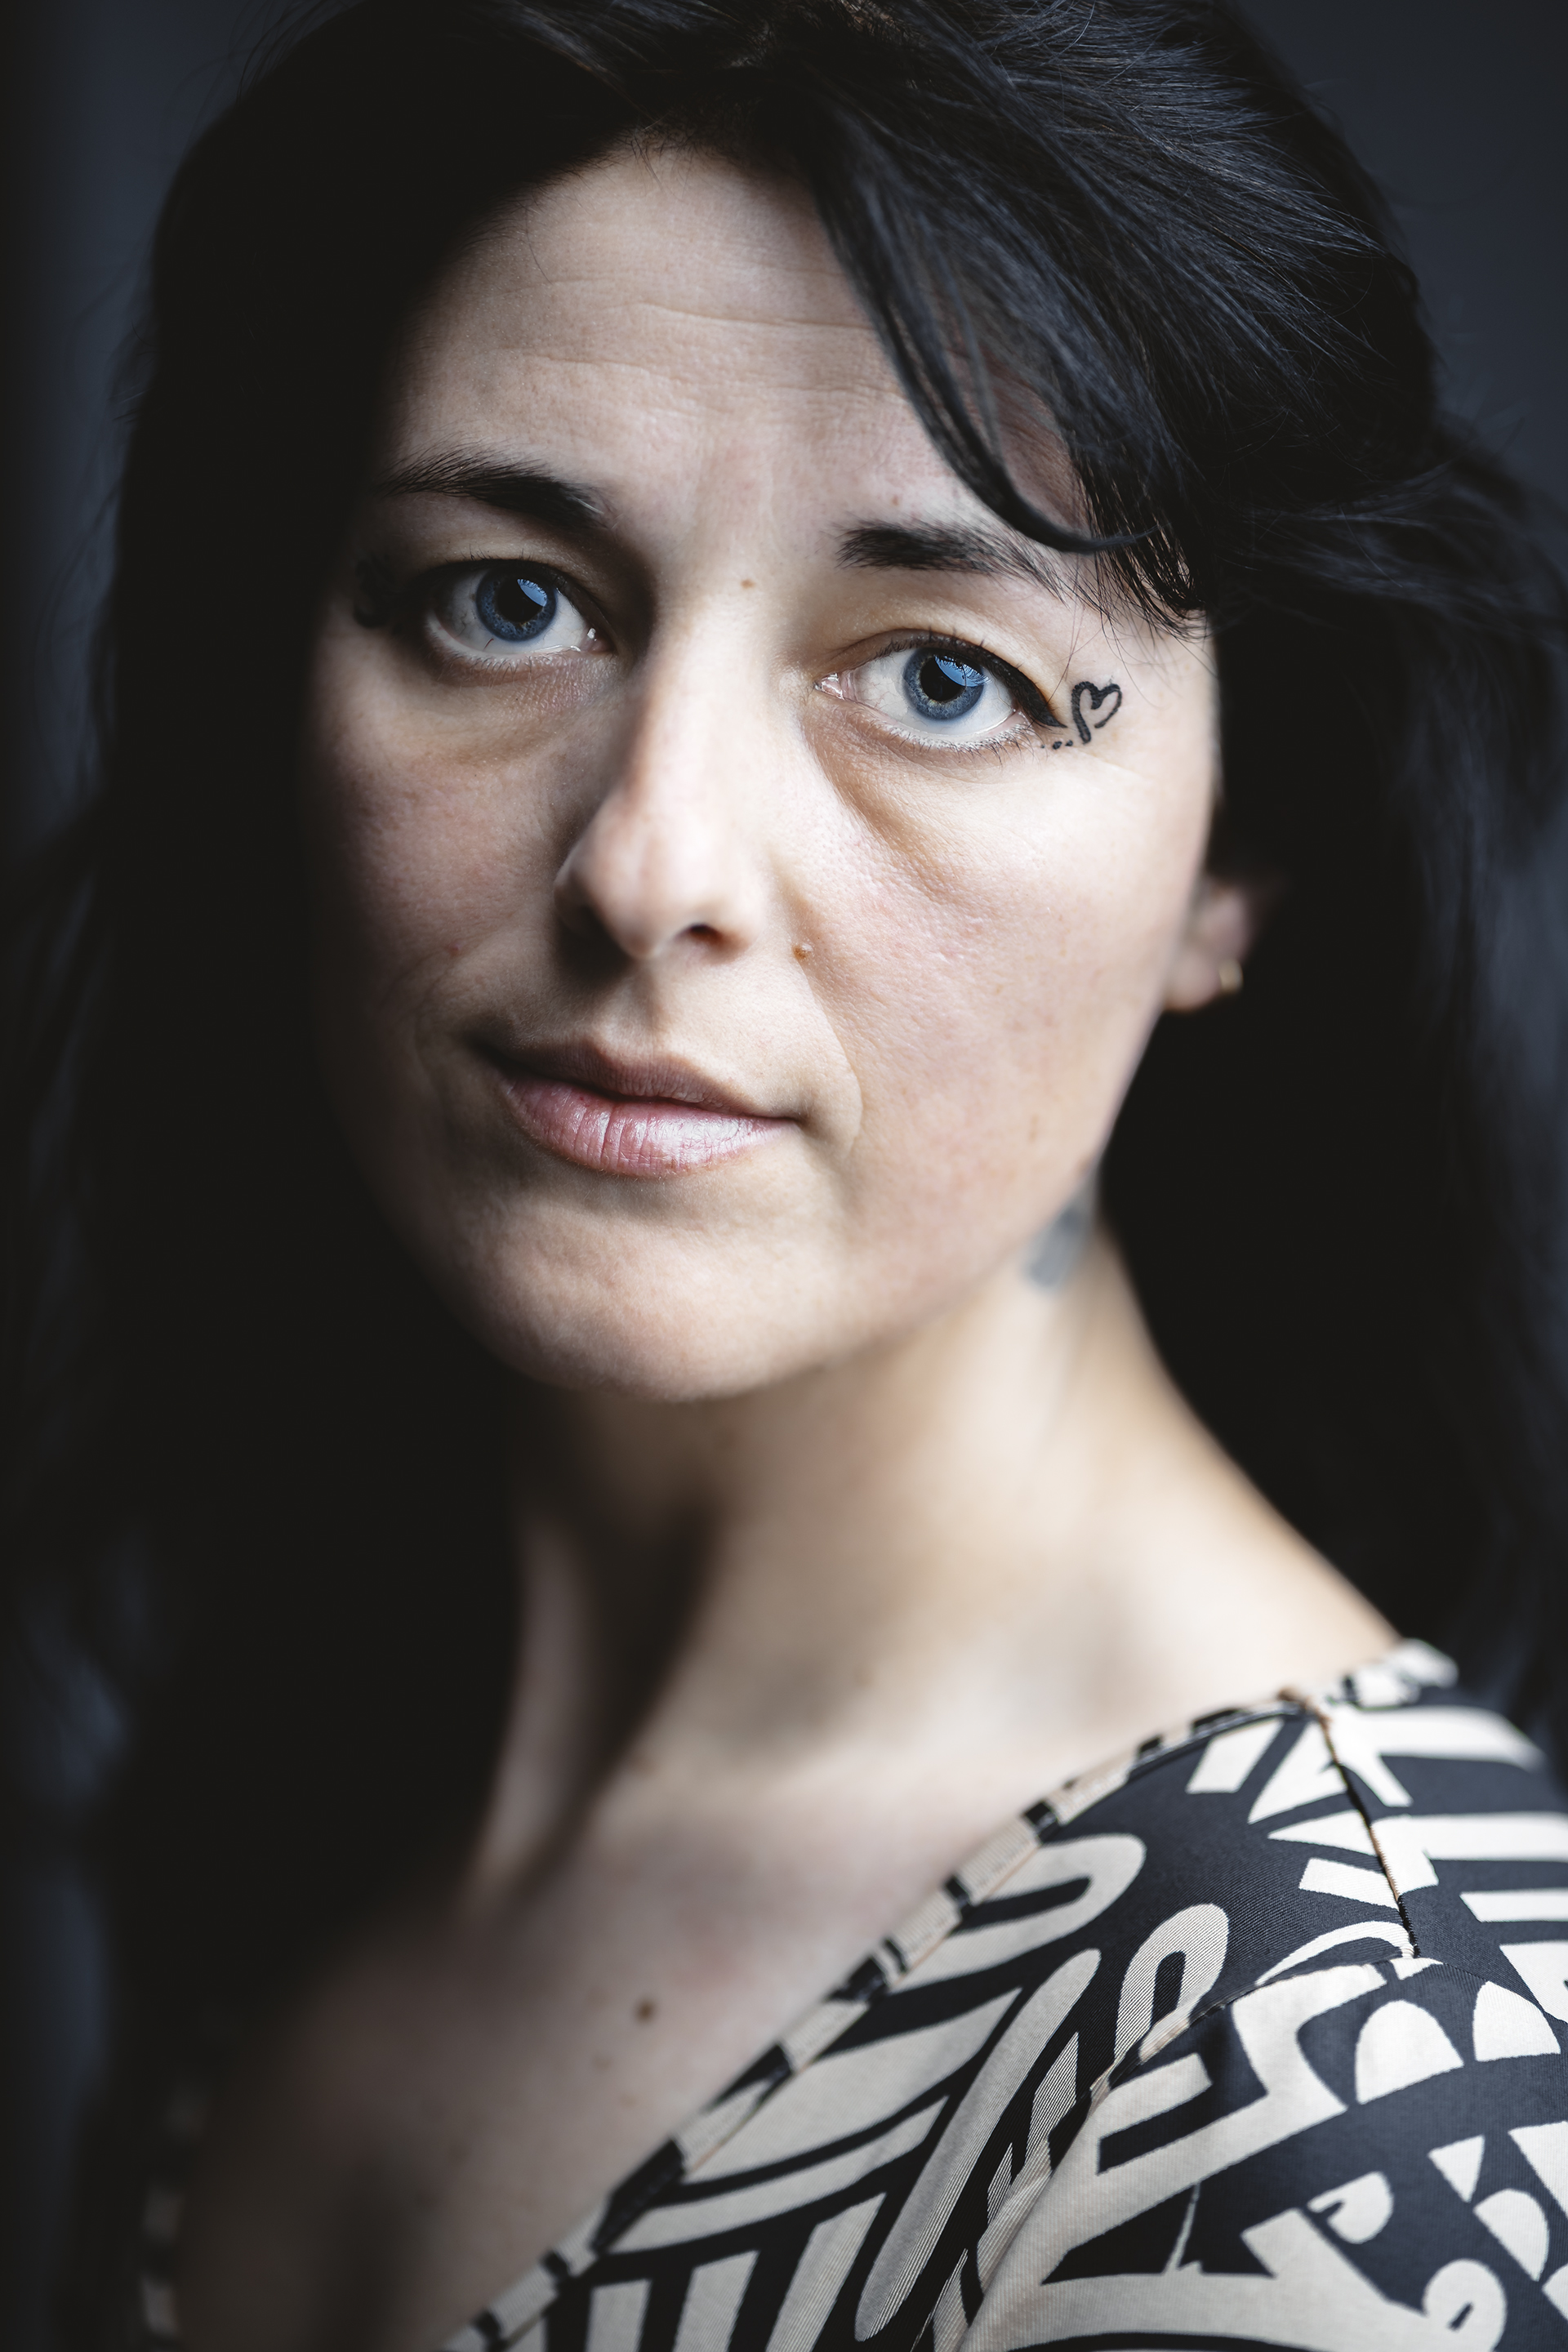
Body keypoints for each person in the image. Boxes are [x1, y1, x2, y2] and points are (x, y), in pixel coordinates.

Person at [8, 0, 1568, 2345]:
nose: (652, 866)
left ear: (1241, 853)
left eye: (941, 675)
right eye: (504, 599)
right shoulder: (326, 1745)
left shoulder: (1334, 2074)